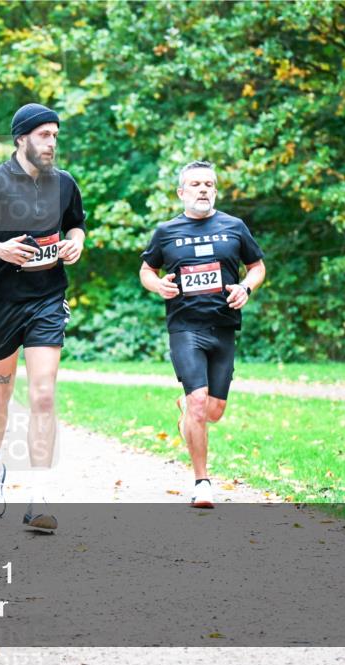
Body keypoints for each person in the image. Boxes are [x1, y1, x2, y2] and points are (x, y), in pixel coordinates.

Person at [0, 103, 86, 530]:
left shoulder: (64, 184)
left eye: (55, 135)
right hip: (2, 303)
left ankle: (39, 493)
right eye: (43, 135)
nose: (51, 143)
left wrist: (75, 243)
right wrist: (0, 249)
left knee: (44, 393)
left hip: (48, 299)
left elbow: (76, 225)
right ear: (21, 138)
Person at [139, 160, 266, 508]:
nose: (203, 190)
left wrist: (246, 287)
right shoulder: (167, 231)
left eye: (208, 184)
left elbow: (257, 267)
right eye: (195, 184)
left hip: (223, 326)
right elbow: (147, 269)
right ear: (181, 192)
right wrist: (158, 285)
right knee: (198, 403)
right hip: (185, 326)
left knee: (214, 410)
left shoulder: (234, 227)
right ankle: (202, 482)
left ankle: (188, 409)